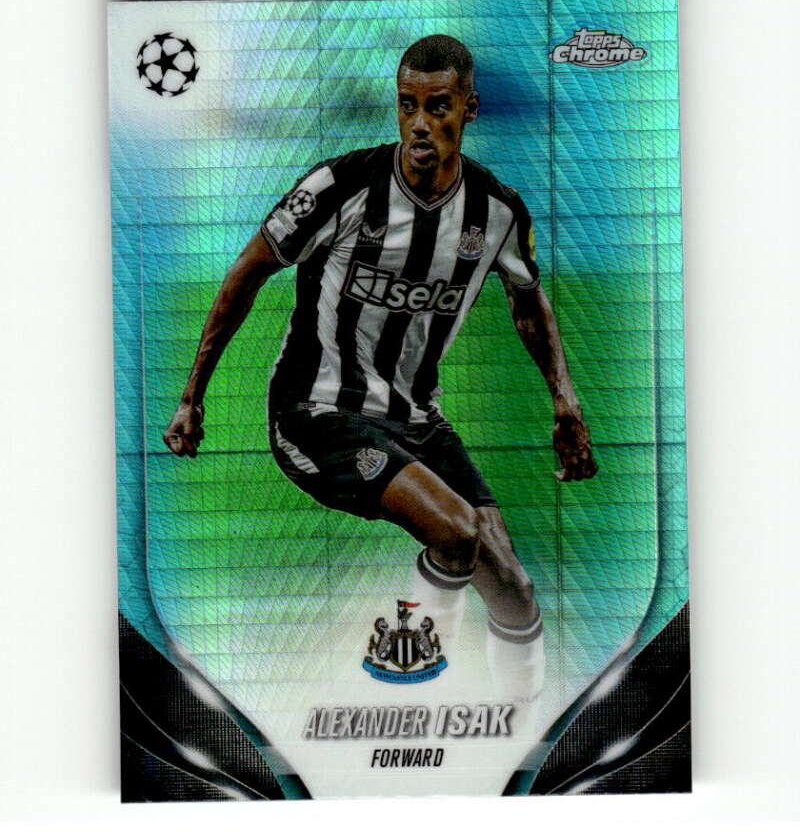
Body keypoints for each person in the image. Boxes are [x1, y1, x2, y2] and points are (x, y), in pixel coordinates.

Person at [164, 35, 597, 703]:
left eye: (438, 106)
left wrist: (565, 402)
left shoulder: (497, 212)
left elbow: (528, 300)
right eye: (407, 106)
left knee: (514, 586)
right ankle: (413, 685)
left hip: (418, 420)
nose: (420, 123)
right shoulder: (339, 186)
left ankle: (526, 718)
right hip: (316, 414)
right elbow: (248, 271)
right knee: (456, 531)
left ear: (469, 108)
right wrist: (193, 396)